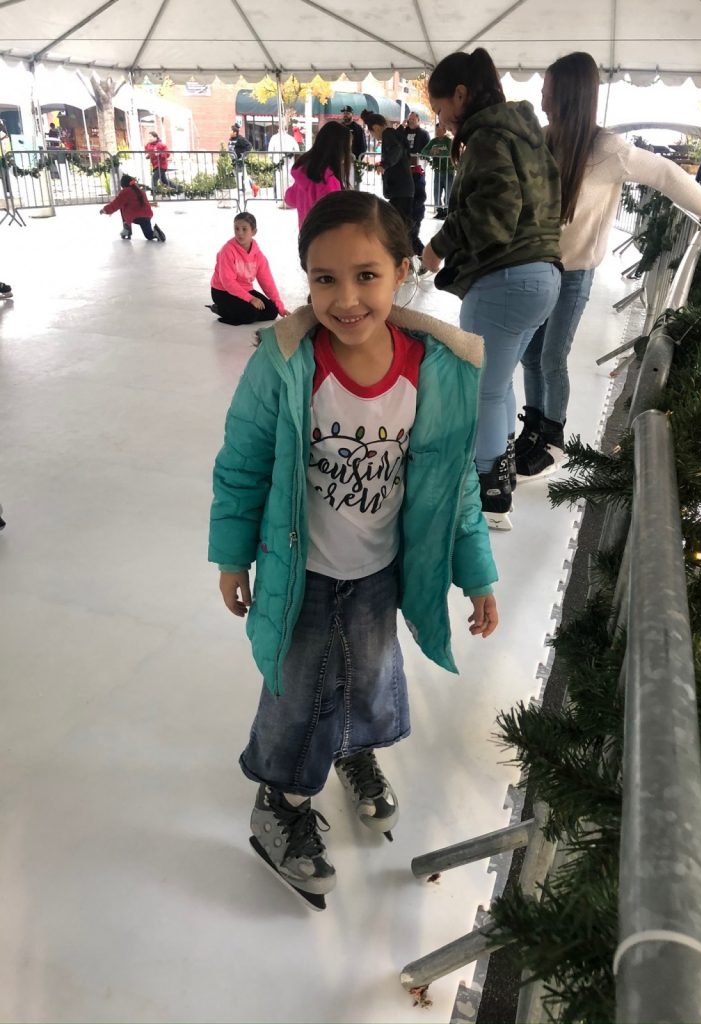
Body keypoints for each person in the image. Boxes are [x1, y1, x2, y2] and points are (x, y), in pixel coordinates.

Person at [208, 190, 498, 903]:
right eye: (325, 278)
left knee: (369, 674)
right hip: (299, 568)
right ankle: (278, 801)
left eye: (367, 275)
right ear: (306, 280)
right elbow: (242, 463)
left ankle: (351, 748)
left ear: (403, 270)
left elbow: (454, 483)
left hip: (378, 570)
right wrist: (232, 555)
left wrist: (477, 574)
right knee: (297, 689)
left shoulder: (434, 369)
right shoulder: (285, 365)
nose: (345, 298)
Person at [516, 51, 701, 482]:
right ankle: (534, 427)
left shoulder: (608, 149)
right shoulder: (541, 141)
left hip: (574, 275)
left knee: (553, 356)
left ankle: (553, 442)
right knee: (530, 354)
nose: (542, 102)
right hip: (536, 270)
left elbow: (666, 174)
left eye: (549, 94)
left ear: (569, 96)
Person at [420, 48, 562, 529]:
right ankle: (500, 477)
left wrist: (438, 247)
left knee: (481, 391)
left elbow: (494, 214)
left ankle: (488, 495)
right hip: (544, 277)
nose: (441, 120)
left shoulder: (486, 138)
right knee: (498, 386)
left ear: (460, 95)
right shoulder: (524, 136)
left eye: (441, 108)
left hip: (506, 280)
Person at [209, 211, 288, 325]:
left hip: (245, 289)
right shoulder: (227, 250)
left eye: (244, 229)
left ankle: (239, 312)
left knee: (272, 311)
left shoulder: (258, 255)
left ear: (254, 232)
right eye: (236, 229)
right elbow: (228, 282)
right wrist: (250, 299)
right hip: (222, 291)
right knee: (250, 314)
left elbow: (268, 283)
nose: (239, 233)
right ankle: (219, 309)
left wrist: (280, 307)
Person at [360, 110, 416, 256]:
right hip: (401, 188)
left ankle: (416, 255)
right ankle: (410, 255)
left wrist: (384, 165)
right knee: (401, 224)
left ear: (376, 128)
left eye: (372, 133)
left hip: (400, 188)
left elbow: (396, 150)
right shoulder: (394, 134)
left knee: (401, 225)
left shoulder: (388, 134)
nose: (374, 137)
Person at [284, 120, 351, 228]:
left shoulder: (304, 173)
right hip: (324, 236)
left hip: (306, 234)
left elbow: (289, 199)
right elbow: (335, 217)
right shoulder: (329, 180)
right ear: (339, 150)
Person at [99, 174, 166, 242]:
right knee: (149, 235)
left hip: (135, 216)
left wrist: (105, 210)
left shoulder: (125, 192)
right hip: (146, 216)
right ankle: (156, 232)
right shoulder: (140, 191)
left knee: (122, 206)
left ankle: (127, 230)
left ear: (123, 184)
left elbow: (116, 204)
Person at [400, 112, 430, 254]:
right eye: (409, 119)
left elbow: (427, 152)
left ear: (418, 120)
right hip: (403, 173)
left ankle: (420, 252)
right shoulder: (402, 132)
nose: (410, 121)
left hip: (417, 173)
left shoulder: (423, 134)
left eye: (413, 119)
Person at [421, 121, 453, 218]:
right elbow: (423, 151)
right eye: (436, 130)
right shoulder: (433, 141)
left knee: (448, 191)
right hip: (438, 170)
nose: (437, 132)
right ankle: (439, 210)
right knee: (437, 191)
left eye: (439, 130)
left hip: (448, 171)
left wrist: (439, 153)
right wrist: (431, 152)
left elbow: (451, 153)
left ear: (444, 130)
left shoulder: (449, 141)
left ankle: (447, 210)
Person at [228, 123, 254, 194]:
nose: (229, 132)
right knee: (236, 175)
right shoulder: (230, 139)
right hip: (233, 161)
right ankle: (243, 188)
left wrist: (243, 155)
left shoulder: (240, 139)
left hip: (239, 160)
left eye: (230, 130)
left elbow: (249, 146)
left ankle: (247, 189)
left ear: (235, 132)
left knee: (243, 175)